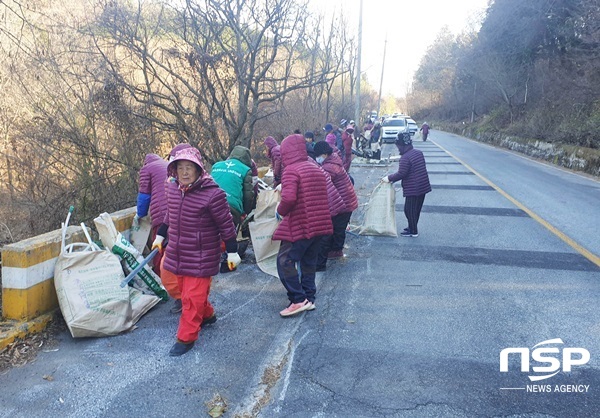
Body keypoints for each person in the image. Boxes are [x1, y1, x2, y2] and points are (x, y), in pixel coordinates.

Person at [152, 147, 241, 356]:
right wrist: (160, 236)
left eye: (189, 168)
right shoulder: (173, 189)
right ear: (174, 170)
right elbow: (169, 216)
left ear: (198, 169)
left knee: (191, 297)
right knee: (184, 292)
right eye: (180, 168)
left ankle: (186, 338)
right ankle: (207, 315)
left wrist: (232, 251)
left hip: (202, 255)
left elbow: (226, 225)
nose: (184, 173)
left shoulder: (213, 194)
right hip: (177, 252)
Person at [273, 134, 333, 317]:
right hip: (320, 225)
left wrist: (280, 211)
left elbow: (289, 198)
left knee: (284, 261)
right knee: (308, 261)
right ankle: (309, 298)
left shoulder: (291, 170)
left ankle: (298, 299)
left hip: (300, 224)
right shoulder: (315, 167)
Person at [313, 141, 358, 266]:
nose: (317, 158)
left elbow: (320, 183)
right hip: (346, 198)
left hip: (344, 202)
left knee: (337, 228)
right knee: (338, 227)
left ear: (325, 154)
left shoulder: (329, 167)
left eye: (319, 155)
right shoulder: (333, 160)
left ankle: (336, 250)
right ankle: (335, 249)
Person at [381, 132, 431, 237]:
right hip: (423, 186)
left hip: (414, 189)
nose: (398, 148)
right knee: (416, 209)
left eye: (398, 145)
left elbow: (401, 173)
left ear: (402, 145)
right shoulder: (418, 153)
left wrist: (388, 178)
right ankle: (412, 227)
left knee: (408, 210)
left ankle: (413, 231)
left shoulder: (405, 157)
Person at [133, 153, 168, 277]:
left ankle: (161, 278)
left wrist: (140, 214)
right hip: (178, 210)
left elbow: (144, 196)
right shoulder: (168, 165)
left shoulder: (147, 169)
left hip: (162, 214)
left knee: (159, 247)